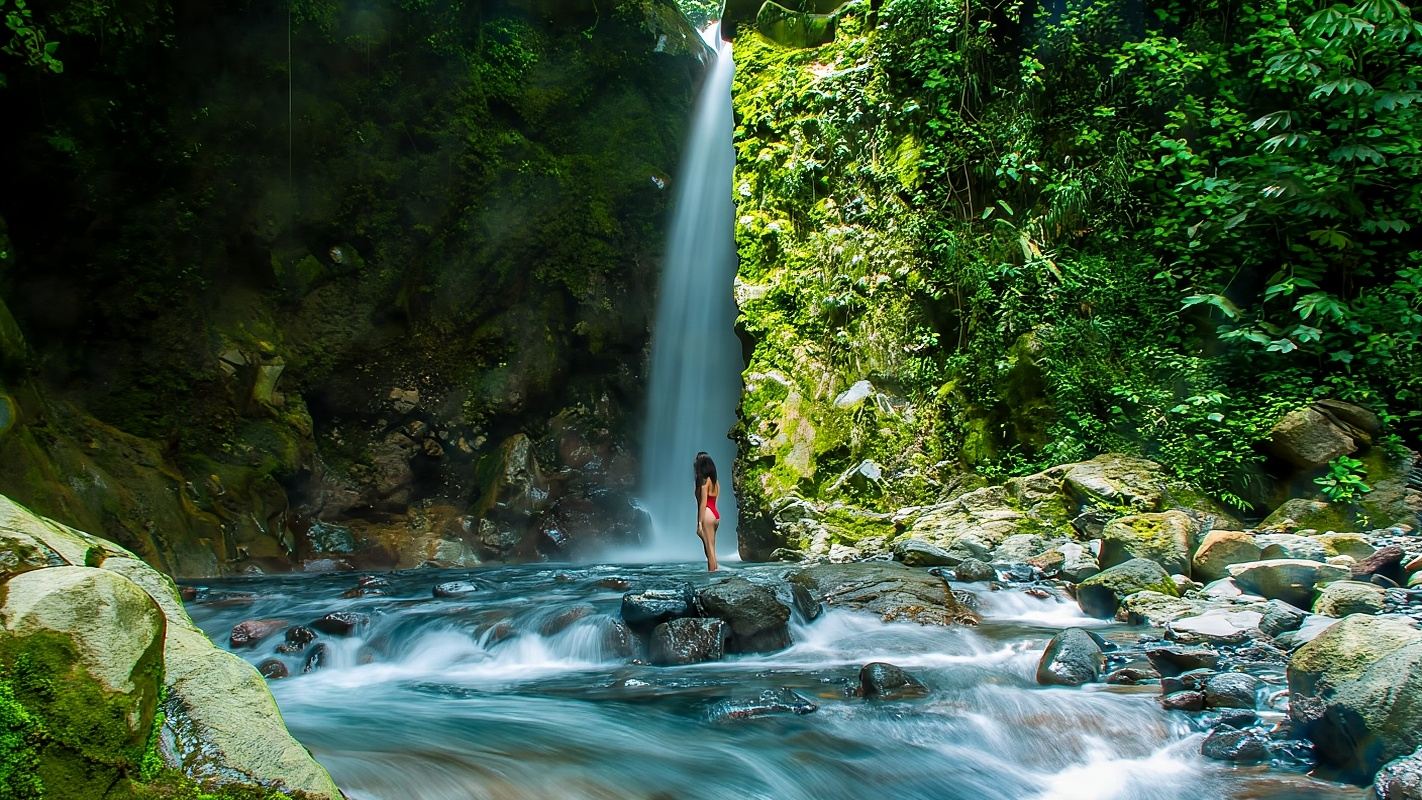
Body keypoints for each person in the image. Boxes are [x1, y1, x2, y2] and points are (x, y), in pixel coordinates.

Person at [694, 452, 720, 572]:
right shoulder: (715, 482)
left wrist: (699, 522)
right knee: (711, 549)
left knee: (709, 550)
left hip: (707, 513)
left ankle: (712, 576)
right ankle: (715, 572)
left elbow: (703, 502)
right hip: (715, 513)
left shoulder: (705, 482)